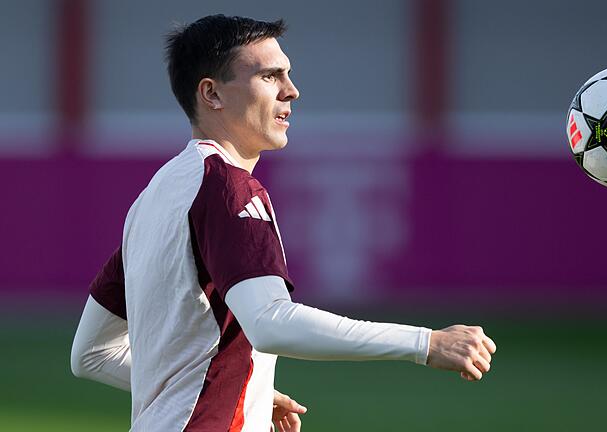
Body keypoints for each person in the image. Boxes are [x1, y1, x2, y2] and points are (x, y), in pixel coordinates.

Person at [71, 15, 496, 432]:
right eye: (270, 77)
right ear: (212, 94)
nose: (291, 91)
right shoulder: (228, 188)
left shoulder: (154, 197)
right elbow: (271, 321)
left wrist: (247, 388)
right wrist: (425, 343)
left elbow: (91, 353)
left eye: (287, 75)